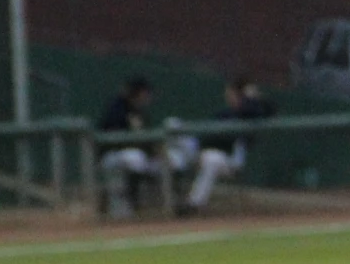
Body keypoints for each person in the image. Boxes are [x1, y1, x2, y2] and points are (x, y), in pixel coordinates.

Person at [98, 76, 185, 218]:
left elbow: (147, 139)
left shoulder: (139, 111)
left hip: (138, 157)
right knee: (135, 159)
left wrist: (158, 153)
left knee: (168, 162)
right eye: (145, 93)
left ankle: (171, 203)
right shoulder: (116, 109)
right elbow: (114, 138)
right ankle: (128, 200)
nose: (148, 97)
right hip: (113, 156)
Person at [185, 76, 276, 212]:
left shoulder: (250, 114)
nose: (228, 96)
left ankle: (194, 204)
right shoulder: (224, 114)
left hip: (230, 161)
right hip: (202, 153)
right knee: (173, 124)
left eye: (232, 93)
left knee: (211, 159)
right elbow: (205, 135)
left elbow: (269, 111)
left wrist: (250, 97)